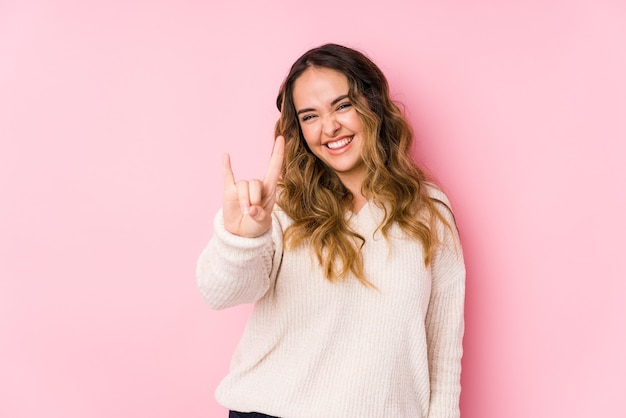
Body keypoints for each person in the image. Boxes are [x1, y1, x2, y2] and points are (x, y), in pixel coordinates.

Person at [196, 43, 465, 418]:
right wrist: (243, 237)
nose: (329, 127)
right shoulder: (281, 206)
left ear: (372, 105)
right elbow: (218, 292)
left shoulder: (429, 210)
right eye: (309, 116)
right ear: (298, 129)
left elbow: (443, 351)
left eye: (342, 105)